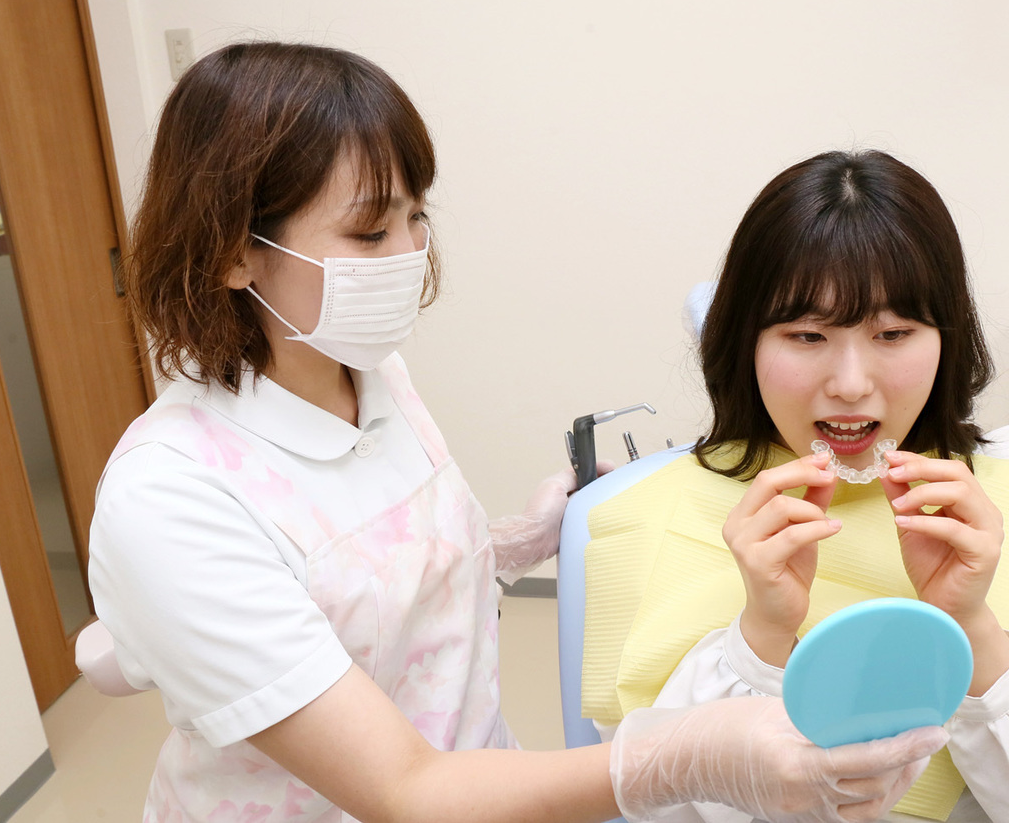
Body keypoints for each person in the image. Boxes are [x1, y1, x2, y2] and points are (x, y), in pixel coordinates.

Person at [87, 43, 948, 823]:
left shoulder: (373, 376)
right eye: (370, 231)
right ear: (232, 251)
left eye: (417, 217)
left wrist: (513, 541)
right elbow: (405, 791)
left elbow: (366, 571)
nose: (411, 254)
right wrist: (688, 755)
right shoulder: (171, 495)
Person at [579, 150, 1009, 822]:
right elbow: (645, 802)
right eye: (807, 334)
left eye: (893, 332)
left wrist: (972, 627)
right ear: (745, 342)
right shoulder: (650, 514)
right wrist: (761, 634)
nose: (851, 383)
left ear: (947, 338)